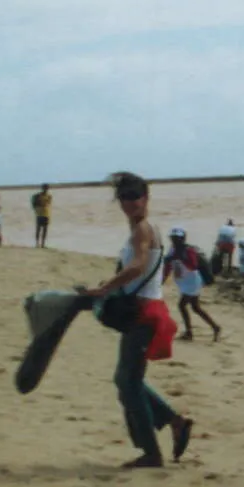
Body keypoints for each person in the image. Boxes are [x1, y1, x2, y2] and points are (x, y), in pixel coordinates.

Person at [80, 172, 191, 469]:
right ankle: (173, 422)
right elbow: (139, 270)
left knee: (128, 382)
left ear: (146, 198)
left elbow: (138, 265)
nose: (130, 202)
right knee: (127, 380)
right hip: (141, 312)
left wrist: (106, 288)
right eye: (124, 197)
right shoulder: (142, 229)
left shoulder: (143, 229)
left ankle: (152, 452)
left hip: (144, 315)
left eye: (135, 196)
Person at [163, 227, 221, 342]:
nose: (175, 240)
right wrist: (163, 278)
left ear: (182, 239)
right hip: (183, 281)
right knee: (195, 307)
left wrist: (179, 258)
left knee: (182, 305)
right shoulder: (172, 250)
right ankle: (215, 327)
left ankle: (189, 333)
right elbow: (168, 267)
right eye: (173, 238)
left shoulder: (189, 250)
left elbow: (193, 266)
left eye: (177, 238)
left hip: (192, 281)